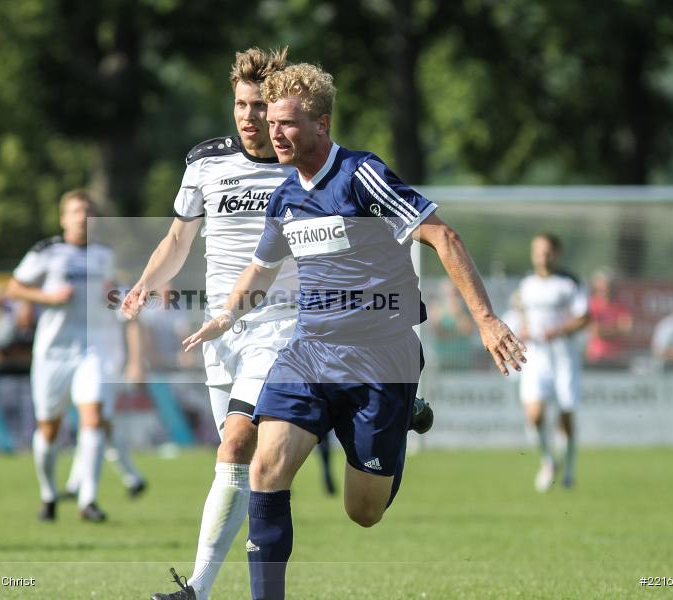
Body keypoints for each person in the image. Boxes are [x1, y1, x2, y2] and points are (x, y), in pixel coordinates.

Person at [181, 62, 524, 600]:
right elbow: (260, 269)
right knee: (266, 467)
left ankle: (398, 420)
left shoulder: (361, 175)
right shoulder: (285, 197)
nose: (276, 133)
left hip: (379, 358)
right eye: (271, 123)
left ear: (323, 123)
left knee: (362, 512)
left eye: (288, 123)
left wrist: (485, 318)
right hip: (308, 352)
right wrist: (226, 315)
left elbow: (443, 235)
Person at [120, 47, 298, 600]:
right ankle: (213, 585)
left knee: (236, 445)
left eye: (258, 107)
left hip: (279, 324)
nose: (248, 117)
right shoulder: (205, 161)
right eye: (240, 105)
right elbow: (178, 240)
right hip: (219, 332)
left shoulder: (304, 166)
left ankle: (194, 588)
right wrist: (147, 281)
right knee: (238, 468)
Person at [6, 189, 146, 523]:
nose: (82, 217)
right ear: (63, 218)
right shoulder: (47, 252)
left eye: (87, 211)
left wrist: (116, 297)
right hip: (53, 352)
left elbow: (113, 295)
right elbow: (13, 288)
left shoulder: (104, 255)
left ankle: (88, 500)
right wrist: (47, 297)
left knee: (94, 417)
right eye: (75, 211)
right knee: (49, 430)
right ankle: (49, 493)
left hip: (92, 350)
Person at [516, 233, 589, 492]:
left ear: (556, 253)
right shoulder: (527, 284)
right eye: (537, 251)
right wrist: (524, 327)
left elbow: (583, 317)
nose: (541, 256)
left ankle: (569, 469)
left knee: (565, 414)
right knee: (534, 415)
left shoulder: (569, 282)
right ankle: (548, 461)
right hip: (536, 357)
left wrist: (556, 331)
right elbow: (521, 311)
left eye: (546, 251)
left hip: (563, 356)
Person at [585, 268, 633, 368]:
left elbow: (628, 329)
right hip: (597, 357)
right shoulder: (591, 306)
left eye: (609, 286)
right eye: (603, 286)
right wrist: (617, 328)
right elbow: (596, 332)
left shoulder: (623, 305)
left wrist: (605, 329)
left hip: (619, 356)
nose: (606, 289)